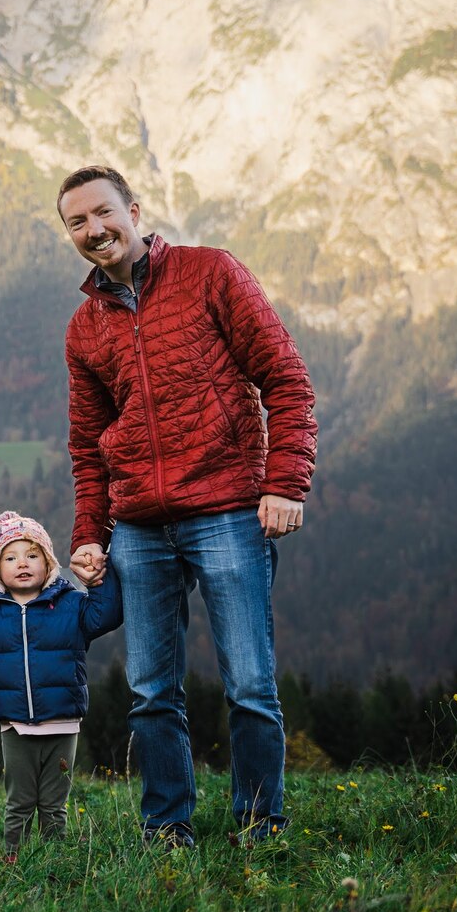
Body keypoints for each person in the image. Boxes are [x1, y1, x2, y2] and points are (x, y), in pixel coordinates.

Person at [56, 164, 317, 847]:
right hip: (139, 526)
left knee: (251, 684)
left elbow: (286, 379)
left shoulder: (211, 274)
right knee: (149, 691)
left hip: (229, 508)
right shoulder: (85, 329)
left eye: (102, 213)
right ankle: (166, 827)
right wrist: (91, 532)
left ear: (134, 211)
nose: (93, 229)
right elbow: (88, 446)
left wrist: (284, 483)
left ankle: (261, 825)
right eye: (76, 222)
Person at [0, 511, 120, 863]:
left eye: (33, 555)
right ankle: (13, 859)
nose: (23, 564)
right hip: (14, 724)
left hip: (63, 722)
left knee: (53, 802)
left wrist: (98, 582)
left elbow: (106, 615)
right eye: (10, 557)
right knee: (19, 801)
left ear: (49, 563)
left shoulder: (72, 604)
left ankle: (54, 861)